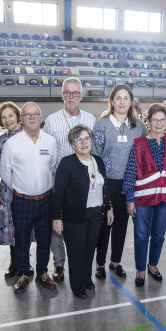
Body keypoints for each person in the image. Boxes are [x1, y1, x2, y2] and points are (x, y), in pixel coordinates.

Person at [0, 102, 59, 294]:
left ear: (40, 118)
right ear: (22, 119)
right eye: (28, 115)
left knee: (44, 239)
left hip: (46, 200)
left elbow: (53, 167)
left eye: (36, 114)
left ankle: (42, 272)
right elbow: (5, 173)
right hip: (22, 200)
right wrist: (21, 188)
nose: (32, 117)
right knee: (22, 240)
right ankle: (23, 274)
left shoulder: (50, 141)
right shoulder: (12, 144)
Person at [122, 103, 166, 286]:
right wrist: (129, 199)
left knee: (159, 235)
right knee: (141, 235)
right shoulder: (139, 144)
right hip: (142, 199)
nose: (158, 123)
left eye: (162, 120)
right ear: (147, 122)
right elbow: (131, 172)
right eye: (154, 120)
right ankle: (141, 269)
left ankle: (153, 265)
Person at [92, 84, 148, 279]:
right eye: (118, 98)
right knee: (104, 223)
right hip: (107, 182)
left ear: (131, 102)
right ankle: (100, 263)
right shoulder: (102, 124)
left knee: (122, 224)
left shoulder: (139, 126)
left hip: (129, 183)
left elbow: (146, 150)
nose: (122, 102)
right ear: (112, 101)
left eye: (126, 98)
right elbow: (95, 155)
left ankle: (115, 261)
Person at [44, 77, 96, 282]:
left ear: (81, 95)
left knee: (82, 223)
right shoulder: (52, 120)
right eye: (67, 92)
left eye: (75, 93)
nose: (71, 96)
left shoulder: (91, 120)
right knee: (57, 223)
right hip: (61, 179)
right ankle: (59, 264)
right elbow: (48, 153)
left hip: (86, 181)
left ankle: (82, 262)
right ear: (62, 94)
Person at [52, 125, 114, 298]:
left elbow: (105, 187)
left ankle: (87, 278)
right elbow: (59, 193)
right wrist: (57, 217)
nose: (84, 142)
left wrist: (109, 207)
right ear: (73, 144)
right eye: (79, 140)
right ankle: (78, 287)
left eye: (87, 138)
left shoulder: (98, 161)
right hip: (75, 217)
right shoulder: (67, 163)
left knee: (89, 249)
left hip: (96, 214)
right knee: (76, 252)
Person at [0, 102, 25, 278]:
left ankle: (25, 262)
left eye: (10, 115)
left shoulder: (29, 136)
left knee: (25, 225)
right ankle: (15, 263)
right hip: (8, 188)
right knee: (12, 224)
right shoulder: (1, 140)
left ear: (18, 116)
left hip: (27, 186)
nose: (7, 120)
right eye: (3, 117)